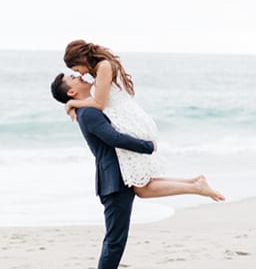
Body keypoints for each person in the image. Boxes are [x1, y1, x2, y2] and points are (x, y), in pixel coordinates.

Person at [63, 39, 224, 201]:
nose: (81, 74)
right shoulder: (101, 67)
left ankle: (196, 187)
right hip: (129, 119)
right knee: (143, 184)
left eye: (77, 69)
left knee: (142, 188)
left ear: (81, 58)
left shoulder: (104, 66)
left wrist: (72, 103)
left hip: (128, 123)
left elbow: (98, 103)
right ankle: (194, 183)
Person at [51, 73, 154, 269]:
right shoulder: (88, 113)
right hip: (113, 181)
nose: (79, 76)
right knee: (115, 239)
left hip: (116, 177)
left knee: (116, 237)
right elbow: (113, 138)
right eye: (73, 77)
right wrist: (148, 146)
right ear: (71, 92)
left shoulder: (87, 108)